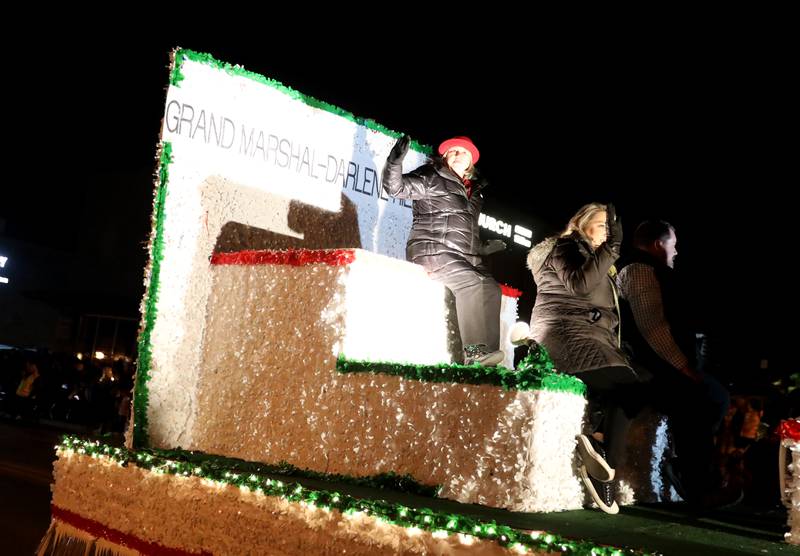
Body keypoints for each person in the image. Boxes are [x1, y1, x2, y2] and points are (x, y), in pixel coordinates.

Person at [527, 202, 645, 514]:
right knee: (630, 387)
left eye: (613, 227)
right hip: (564, 336)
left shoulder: (599, 260)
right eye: (604, 224)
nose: (609, 231)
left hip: (587, 338)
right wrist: (613, 247)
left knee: (636, 386)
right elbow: (579, 286)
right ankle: (603, 461)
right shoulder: (566, 246)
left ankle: (600, 453)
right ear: (582, 223)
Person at [616, 220, 737, 507]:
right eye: (673, 244)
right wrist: (684, 367)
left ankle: (692, 475)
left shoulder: (646, 270)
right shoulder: (640, 270)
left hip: (658, 365)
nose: (676, 251)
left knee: (710, 397)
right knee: (705, 398)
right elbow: (652, 327)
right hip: (652, 368)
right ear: (659, 244)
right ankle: (695, 483)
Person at [382, 135, 505, 366]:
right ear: (445, 156)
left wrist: (483, 248)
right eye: (453, 151)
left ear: (471, 162)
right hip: (432, 249)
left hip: (462, 255)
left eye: (464, 152)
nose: (458, 155)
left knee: (491, 289)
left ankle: (488, 358)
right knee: (472, 282)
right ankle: (475, 353)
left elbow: (465, 232)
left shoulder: (475, 194)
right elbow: (395, 187)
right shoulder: (432, 175)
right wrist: (394, 162)